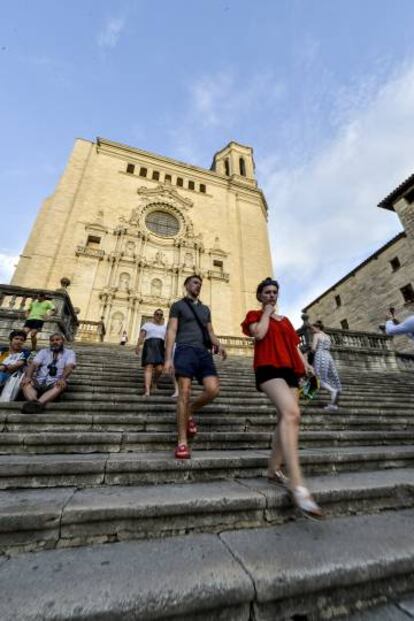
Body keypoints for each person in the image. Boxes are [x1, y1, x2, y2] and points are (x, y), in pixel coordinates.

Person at [241, 277, 323, 519]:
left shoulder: (286, 321)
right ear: (260, 295)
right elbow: (259, 334)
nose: (271, 295)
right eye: (266, 292)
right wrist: (265, 312)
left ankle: (273, 469)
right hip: (268, 369)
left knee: (285, 419)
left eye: (274, 292)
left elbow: (295, 346)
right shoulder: (254, 315)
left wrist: (306, 364)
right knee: (292, 414)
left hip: (291, 371)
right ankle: (298, 485)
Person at [164, 274, 227, 459]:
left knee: (213, 389)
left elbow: (210, 331)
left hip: (203, 353)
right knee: (184, 392)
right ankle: (182, 442)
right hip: (185, 350)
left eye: (200, 283)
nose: (198, 286)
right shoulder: (178, 306)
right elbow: (172, 330)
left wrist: (219, 344)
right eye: (194, 282)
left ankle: (189, 411)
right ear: (186, 285)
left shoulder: (205, 309)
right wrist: (168, 358)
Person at [20, 333, 76, 413]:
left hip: (55, 381)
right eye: (52, 340)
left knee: (60, 385)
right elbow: (33, 364)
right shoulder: (43, 352)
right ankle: (34, 402)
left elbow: (69, 367)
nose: (54, 342)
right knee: (25, 383)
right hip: (39, 380)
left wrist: (62, 379)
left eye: (57, 340)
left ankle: (39, 404)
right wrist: (28, 377)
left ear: (63, 341)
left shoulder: (70, 353)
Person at [136, 309, 178, 398]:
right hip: (149, 346)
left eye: (161, 315)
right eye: (157, 314)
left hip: (160, 347)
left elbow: (167, 338)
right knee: (148, 367)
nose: (159, 316)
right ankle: (147, 391)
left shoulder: (164, 327)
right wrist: (138, 346)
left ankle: (154, 382)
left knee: (159, 369)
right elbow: (142, 336)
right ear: (154, 315)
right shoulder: (147, 325)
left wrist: (169, 350)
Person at [311, 320, 342, 412]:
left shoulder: (316, 335)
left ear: (317, 328)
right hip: (328, 356)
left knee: (318, 378)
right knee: (330, 378)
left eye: (313, 329)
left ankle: (333, 391)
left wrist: (311, 349)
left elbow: (313, 348)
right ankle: (333, 404)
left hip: (320, 355)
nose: (312, 331)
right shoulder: (328, 337)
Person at [0, 330, 31, 400]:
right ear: (11, 339)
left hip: (12, 376)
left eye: (21, 340)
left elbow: (15, 365)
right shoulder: (3, 350)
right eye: (16, 339)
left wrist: (4, 366)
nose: (19, 341)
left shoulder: (25, 353)